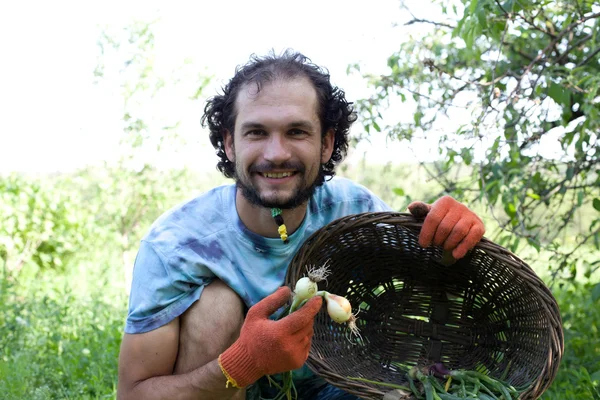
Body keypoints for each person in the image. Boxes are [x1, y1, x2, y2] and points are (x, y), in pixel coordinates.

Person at [116, 50, 485, 400]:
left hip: (334, 387)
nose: (276, 153)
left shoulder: (354, 211)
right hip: (221, 391)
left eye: (296, 132)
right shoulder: (177, 245)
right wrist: (242, 364)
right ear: (229, 143)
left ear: (326, 144)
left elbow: (432, 278)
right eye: (256, 132)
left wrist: (452, 235)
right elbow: (133, 394)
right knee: (215, 305)